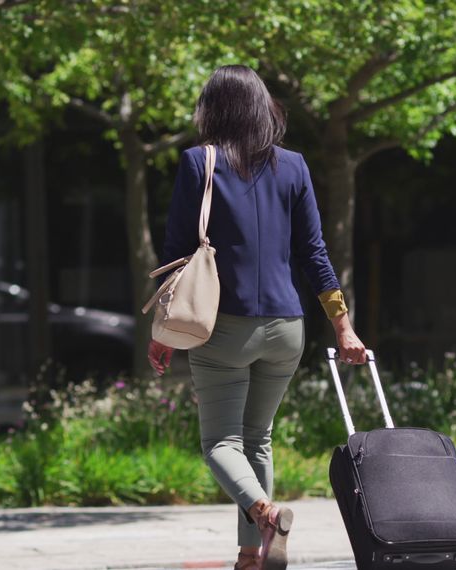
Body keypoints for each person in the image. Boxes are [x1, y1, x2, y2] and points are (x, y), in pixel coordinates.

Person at [148, 65, 367, 570]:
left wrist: (161, 331)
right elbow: (315, 253)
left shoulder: (196, 163)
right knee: (257, 439)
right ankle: (252, 557)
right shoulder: (294, 166)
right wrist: (343, 325)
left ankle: (265, 513)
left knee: (220, 444)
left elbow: (177, 251)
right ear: (263, 106)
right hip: (288, 327)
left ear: (214, 108)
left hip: (223, 326)